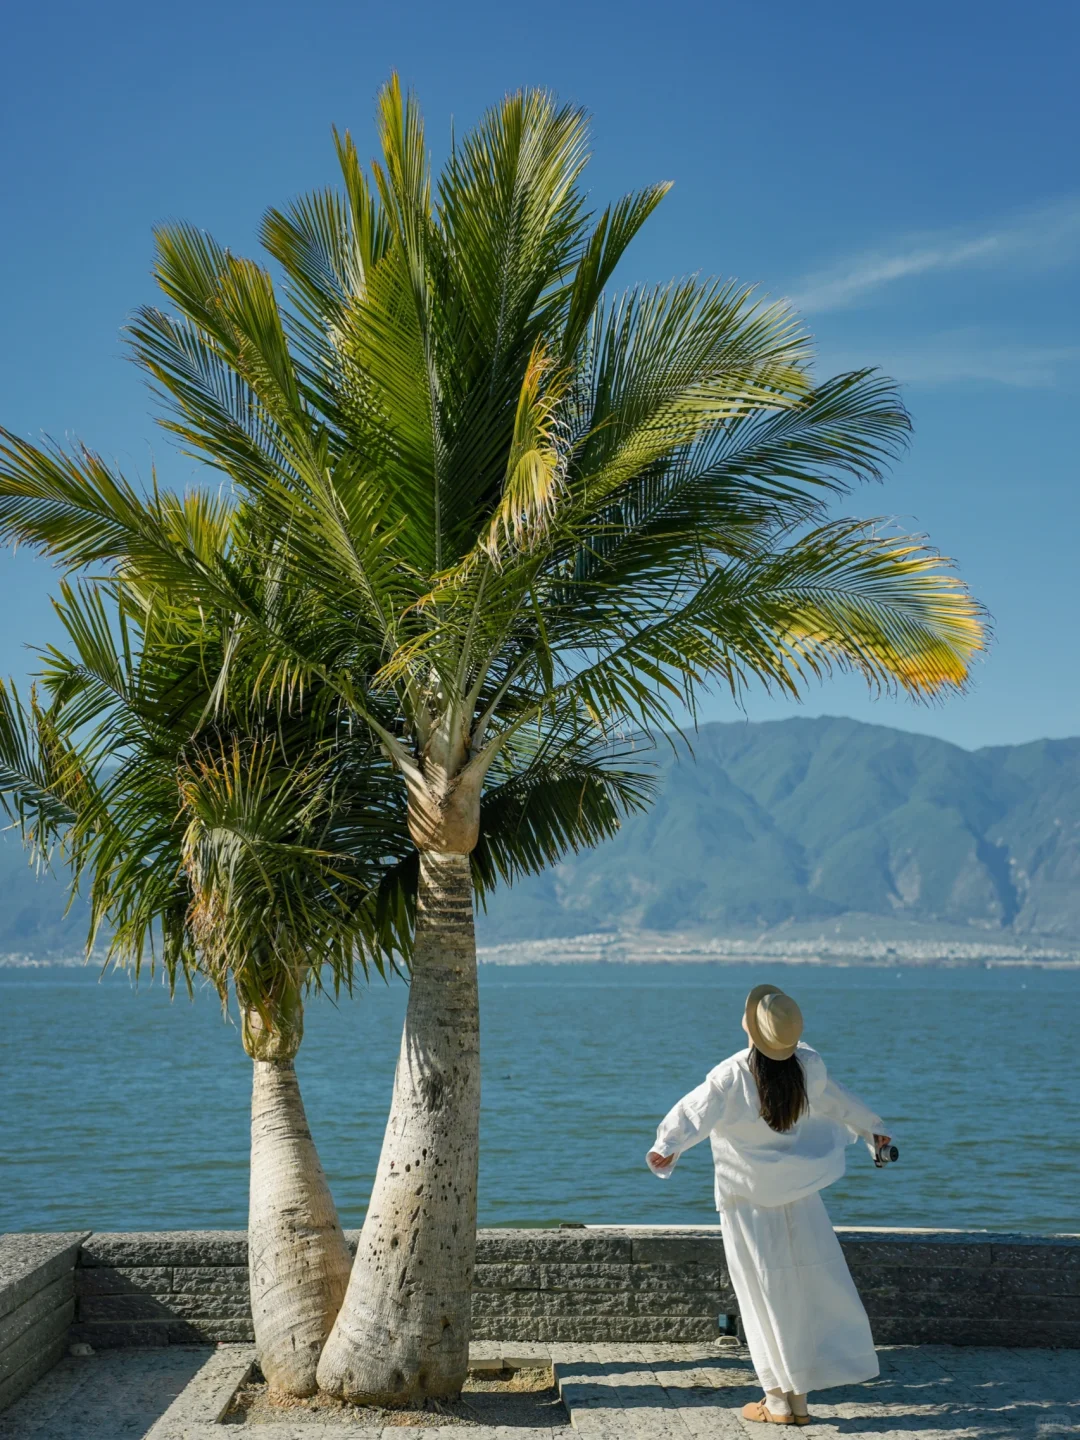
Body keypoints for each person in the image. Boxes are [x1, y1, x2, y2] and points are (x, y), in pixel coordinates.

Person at [646, 983, 891, 1427]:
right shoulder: (807, 1067)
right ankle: (796, 1400)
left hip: (747, 1205)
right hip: (801, 1198)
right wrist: (873, 1131)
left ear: (750, 1027)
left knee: (762, 1296)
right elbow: (840, 1102)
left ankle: (778, 1400)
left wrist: (666, 1147)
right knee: (803, 1291)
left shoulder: (733, 1074)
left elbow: (691, 1114)